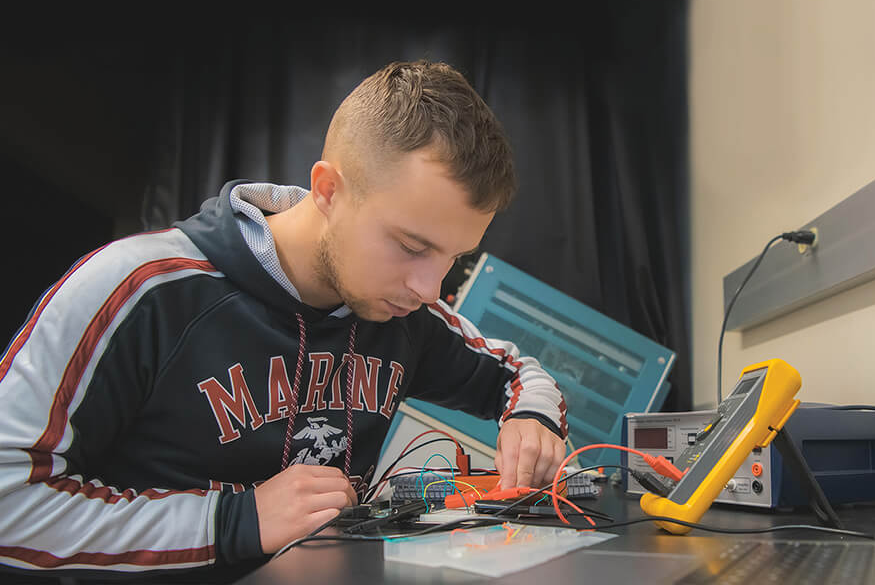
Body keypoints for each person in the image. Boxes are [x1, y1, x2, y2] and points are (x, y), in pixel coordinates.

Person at [0, 60, 568, 580]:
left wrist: (533, 420)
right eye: (411, 246)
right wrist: (232, 522)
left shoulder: (401, 309)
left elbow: (519, 372)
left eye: (455, 258)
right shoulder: (138, 290)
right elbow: (7, 506)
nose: (430, 288)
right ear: (327, 190)